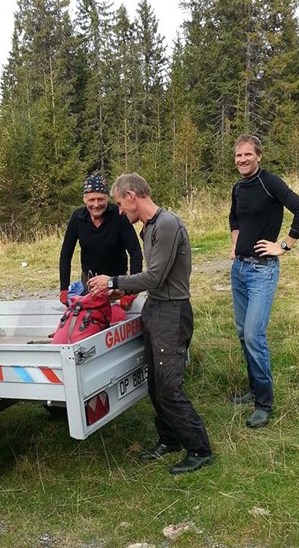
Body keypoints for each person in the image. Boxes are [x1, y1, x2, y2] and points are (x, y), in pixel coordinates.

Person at [88, 173, 212, 475]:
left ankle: (199, 448)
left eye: (120, 203)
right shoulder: (150, 228)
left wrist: (113, 280)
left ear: (132, 196)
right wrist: (123, 290)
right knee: (155, 383)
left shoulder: (168, 224)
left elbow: (155, 276)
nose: (119, 211)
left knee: (169, 385)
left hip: (172, 312)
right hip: (155, 308)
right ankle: (169, 439)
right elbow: (153, 279)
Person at [229, 135, 299, 428]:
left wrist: (284, 246)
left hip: (262, 271)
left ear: (259, 156)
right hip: (238, 271)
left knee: (254, 335)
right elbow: (234, 220)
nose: (242, 160)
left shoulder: (270, 182)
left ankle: (264, 403)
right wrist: (235, 244)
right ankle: (253, 390)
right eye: (238, 155)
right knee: (243, 333)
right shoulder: (238, 187)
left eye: (247, 155)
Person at [59, 172, 143, 309]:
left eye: (100, 199)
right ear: (84, 199)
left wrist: (131, 291)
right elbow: (66, 253)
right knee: (91, 320)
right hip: (90, 282)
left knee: (120, 320)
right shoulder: (77, 218)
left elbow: (135, 251)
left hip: (117, 282)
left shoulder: (119, 215)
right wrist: (63, 288)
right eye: (91, 200)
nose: (96, 204)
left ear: (107, 198)